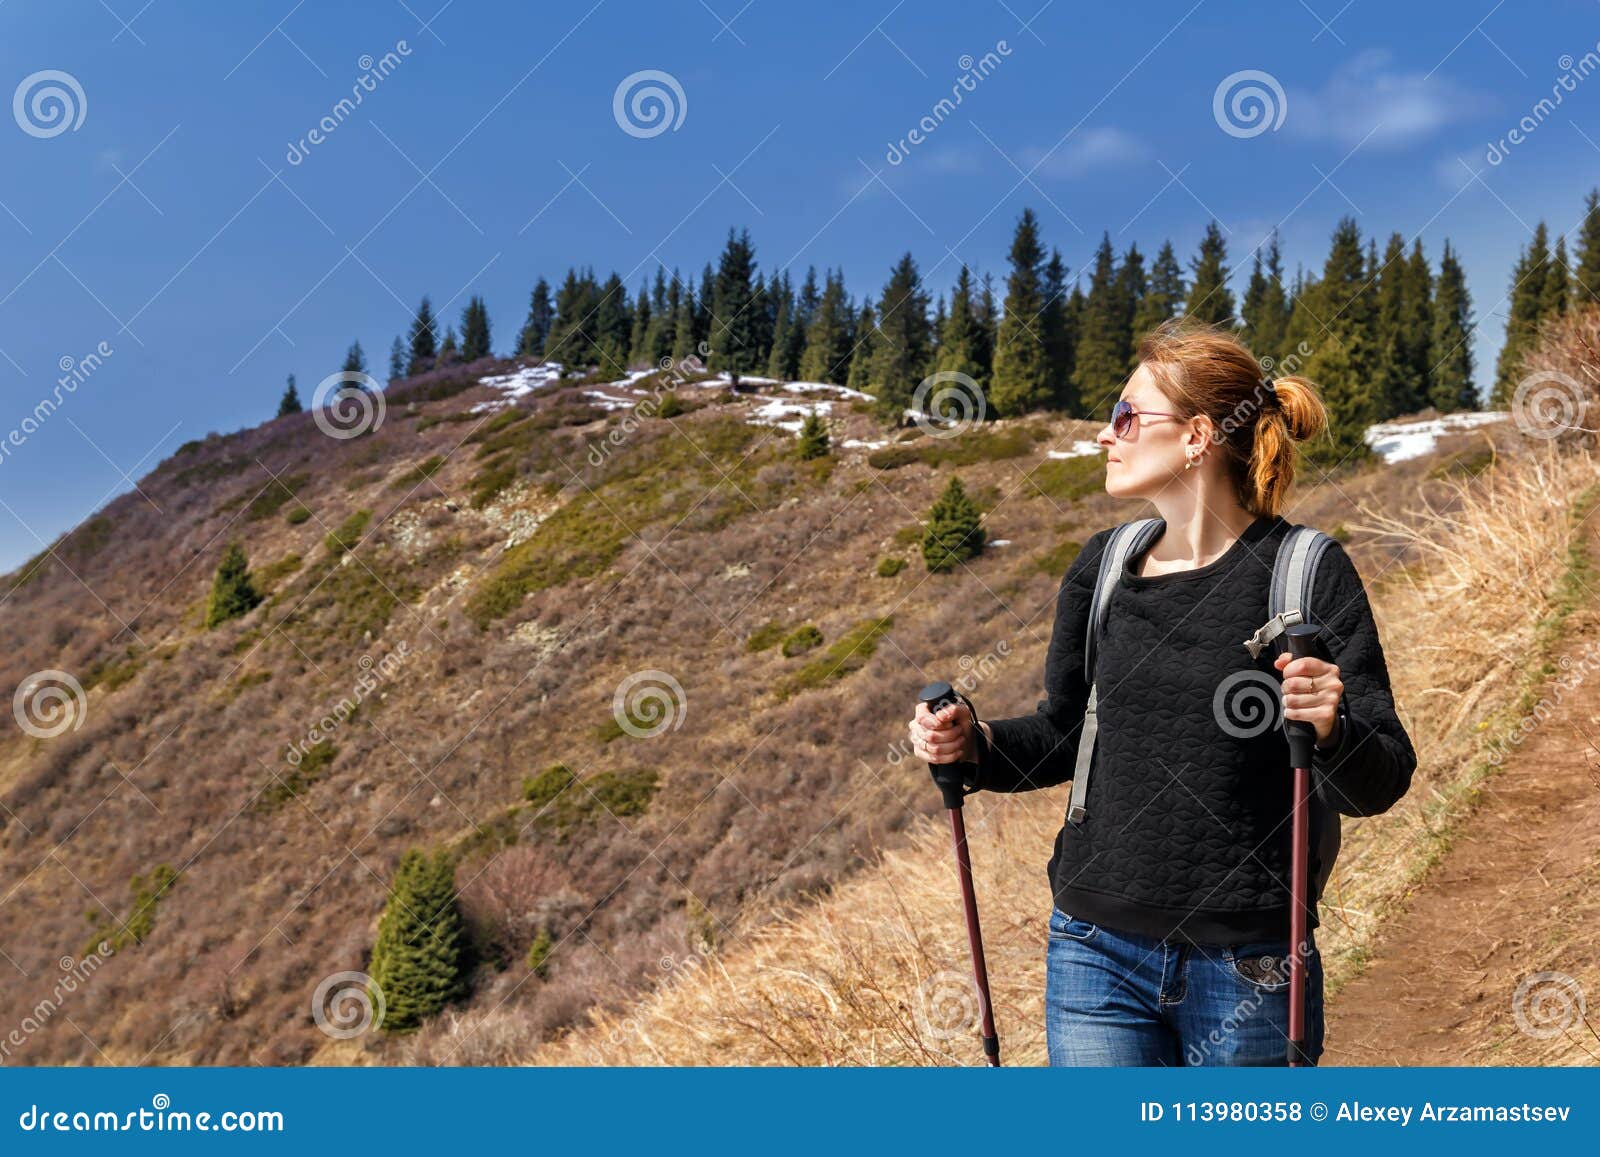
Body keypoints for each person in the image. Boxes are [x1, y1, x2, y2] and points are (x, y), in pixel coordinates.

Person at [908, 318, 1417, 1066]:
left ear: (1197, 436)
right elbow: (1063, 733)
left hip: (1251, 962)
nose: (1104, 435)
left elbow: (1382, 779)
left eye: (1125, 416)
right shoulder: (1104, 566)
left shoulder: (1305, 572)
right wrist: (974, 744)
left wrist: (1333, 726)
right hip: (1093, 952)